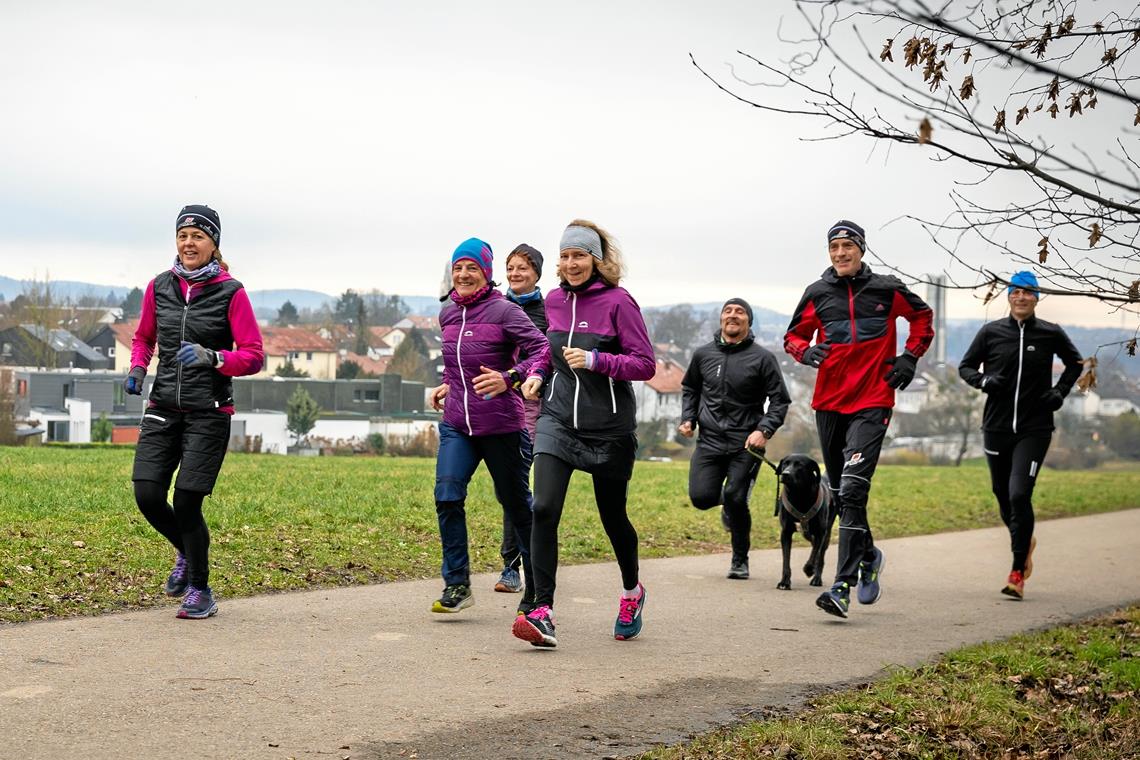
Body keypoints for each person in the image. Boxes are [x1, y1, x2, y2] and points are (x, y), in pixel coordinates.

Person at [511, 219, 657, 648]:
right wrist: (537, 373)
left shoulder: (618, 302)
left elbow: (644, 364)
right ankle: (542, 610)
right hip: (557, 421)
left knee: (613, 519)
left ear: (596, 260)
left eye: (580, 256)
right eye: (566, 256)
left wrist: (597, 362)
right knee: (543, 508)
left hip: (609, 428)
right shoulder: (555, 300)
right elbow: (546, 349)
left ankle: (632, 591)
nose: (571, 263)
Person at [784, 220, 934, 619]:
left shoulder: (886, 288)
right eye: (833, 247)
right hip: (829, 403)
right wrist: (805, 353)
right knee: (840, 490)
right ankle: (869, 555)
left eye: (847, 246)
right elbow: (793, 336)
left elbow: (922, 317)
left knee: (851, 490)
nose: (840, 253)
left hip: (872, 401)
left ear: (862, 249)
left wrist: (909, 356)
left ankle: (841, 586)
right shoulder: (817, 293)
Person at [126, 205, 264, 619]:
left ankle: (201, 589)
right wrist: (137, 366)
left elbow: (254, 356)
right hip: (164, 405)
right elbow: (144, 336)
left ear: (213, 244)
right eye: (183, 235)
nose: (189, 243)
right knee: (148, 494)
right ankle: (185, 552)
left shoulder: (231, 292)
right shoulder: (159, 286)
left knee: (186, 501)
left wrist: (214, 357)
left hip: (210, 410)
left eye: (198, 236)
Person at [428, 238, 549, 614]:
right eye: (458, 267)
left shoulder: (505, 311)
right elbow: (455, 362)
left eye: (472, 268)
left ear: (486, 274)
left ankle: (537, 593)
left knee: (517, 506)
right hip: (458, 425)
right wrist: (448, 383)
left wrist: (510, 377)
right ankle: (457, 584)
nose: (463, 274)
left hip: (502, 426)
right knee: (447, 496)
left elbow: (542, 350)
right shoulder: (447, 313)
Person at [958, 270, 1083, 600]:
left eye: (1029, 293)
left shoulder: (1050, 333)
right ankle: (1024, 542)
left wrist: (1060, 393)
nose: (1022, 298)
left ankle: (1016, 573)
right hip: (996, 428)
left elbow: (1075, 364)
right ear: (1009, 296)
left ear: (1037, 297)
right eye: (1016, 292)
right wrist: (984, 382)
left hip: (1035, 428)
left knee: (1018, 494)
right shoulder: (991, 332)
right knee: (1002, 494)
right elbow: (966, 367)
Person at [680, 298, 791, 580]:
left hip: (746, 444)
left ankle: (740, 559)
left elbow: (779, 400)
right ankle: (730, 504)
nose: (733, 316)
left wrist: (764, 430)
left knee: (735, 497)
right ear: (720, 320)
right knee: (701, 498)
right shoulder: (703, 355)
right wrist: (688, 418)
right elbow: (690, 388)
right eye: (728, 311)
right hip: (710, 441)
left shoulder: (763, 358)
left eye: (740, 312)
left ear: (748, 321)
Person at [494, 244, 548, 595]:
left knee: (518, 484)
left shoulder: (549, 310)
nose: (515, 274)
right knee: (509, 488)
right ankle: (525, 558)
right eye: (511, 268)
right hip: (497, 399)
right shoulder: (496, 306)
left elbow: (549, 351)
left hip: (532, 403)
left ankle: (511, 566)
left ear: (537, 274)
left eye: (523, 268)